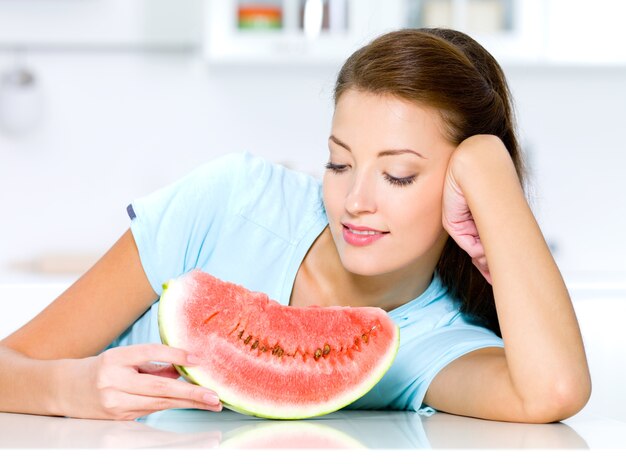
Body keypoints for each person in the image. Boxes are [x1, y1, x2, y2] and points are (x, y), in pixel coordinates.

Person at [0, 28, 591, 423]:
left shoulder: (431, 340)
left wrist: (490, 168)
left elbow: (555, 391)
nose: (354, 200)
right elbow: (10, 363)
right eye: (338, 163)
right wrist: (73, 391)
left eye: (399, 176)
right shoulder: (229, 204)